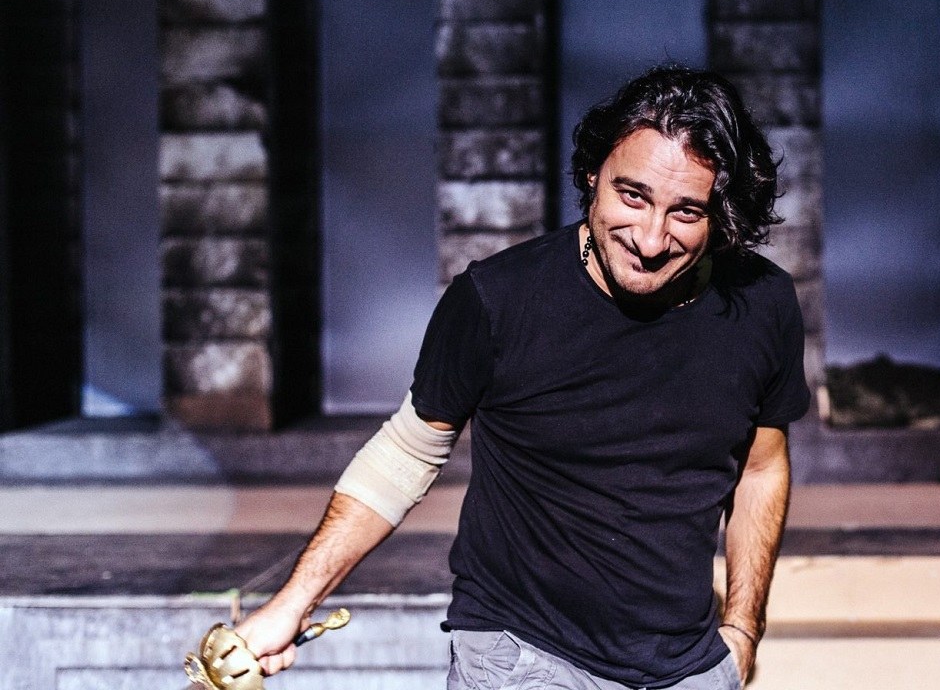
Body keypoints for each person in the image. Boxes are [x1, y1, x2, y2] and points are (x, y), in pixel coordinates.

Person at [236, 65, 811, 690]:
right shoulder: (497, 299)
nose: (650, 239)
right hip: (524, 655)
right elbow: (405, 455)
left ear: (721, 214)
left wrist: (743, 629)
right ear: (592, 174)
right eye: (632, 196)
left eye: (686, 212)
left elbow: (761, 469)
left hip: (687, 666)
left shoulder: (762, 304)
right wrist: (291, 603)